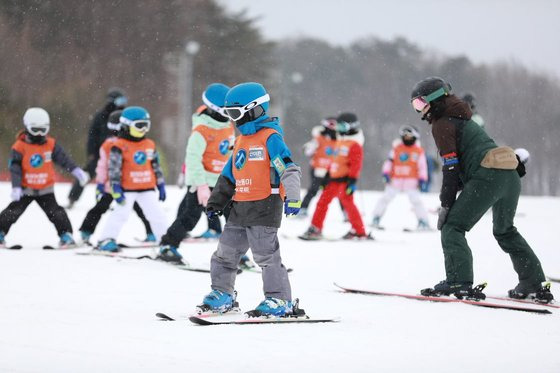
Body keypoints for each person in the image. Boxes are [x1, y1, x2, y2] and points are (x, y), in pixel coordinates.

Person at [410, 77, 553, 302]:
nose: (420, 111)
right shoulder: (464, 118)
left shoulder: (442, 124)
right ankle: (533, 282)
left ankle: (459, 281)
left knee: (452, 227)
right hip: (510, 174)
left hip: (489, 175)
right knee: (505, 231)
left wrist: (446, 204)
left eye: (420, 104)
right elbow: (465, 163)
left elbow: (451, 167)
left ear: (434, 100)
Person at [195, 82, 302, 317]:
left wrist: (293, 197)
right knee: (225, 253)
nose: (233, 120)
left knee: (266, 256)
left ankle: (279, 299)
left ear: (253, 109)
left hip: (265, 205)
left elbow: (288, 168)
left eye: (235, 113)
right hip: (239, 207)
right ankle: (222, 294)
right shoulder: (241, 141)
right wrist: (216, 202)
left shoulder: (270, 138)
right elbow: (228, 175)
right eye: (230, 114)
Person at [157, 83, 235, 262]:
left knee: (234, 219)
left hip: (223, 182)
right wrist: (201, 185)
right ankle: (168, 245)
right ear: (215, 109)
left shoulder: (228, 126)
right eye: (227, 111)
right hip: (202, 183)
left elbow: (231, 153)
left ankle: (236, 252)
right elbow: (192, 160)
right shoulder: (201, 131)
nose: (230, 115)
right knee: (190, 217)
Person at [0, 108, 90, 248]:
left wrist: (76, 170)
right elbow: (15, 168)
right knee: (12, 212)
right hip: (25, 189)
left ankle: (66, 235)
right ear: (27, 127)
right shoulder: (19, 146)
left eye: (43, 130)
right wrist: (16, 187)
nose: (39, 134)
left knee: (56, 213)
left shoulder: (51, 144)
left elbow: (63, 159)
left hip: (45, 189)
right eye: (35, 130)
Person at [96, 106, 167, 251]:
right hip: (127, 189)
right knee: (120, 214)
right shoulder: (119, 145)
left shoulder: (149, 144)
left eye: (146, 126)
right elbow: (113, 169)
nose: (144, 130)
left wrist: (160, 184)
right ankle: (106, 239)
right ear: (127, 125)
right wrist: (115, 187)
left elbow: (155, 166)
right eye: (139, 126)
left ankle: (166, 242)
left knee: (157, 215)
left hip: (147, 188)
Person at [78, 110, 154, 245]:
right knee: (139, 209)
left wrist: (100, 183)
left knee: (100, 209)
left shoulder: (110, 144)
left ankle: (86, 232)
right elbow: (103, 166)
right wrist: (101, 184)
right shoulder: (116, 144)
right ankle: (151, 232)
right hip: (123, 186)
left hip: (119, 186)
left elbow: (101, 166)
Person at [300, 112, 371, 240]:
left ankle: (359, 231)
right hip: (333, 180)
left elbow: (356, 164)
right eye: (339, 127)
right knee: (322, 202)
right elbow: (334, 160)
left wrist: (352, 181)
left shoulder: (354, 144)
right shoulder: (340, 141)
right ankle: (315, 227)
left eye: (342, 127)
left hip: (344, 181)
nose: (339, 130)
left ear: (352, 126)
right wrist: (328, 173)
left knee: (349, 205)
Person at [66, 88, 128, 208]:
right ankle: (72, 199)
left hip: (121, 154)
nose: (123, 103)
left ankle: (129, 203)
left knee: (125, 177)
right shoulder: (101, 116)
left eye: (124, 100)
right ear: (112, 101)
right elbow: (92, 136)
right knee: (85, 175)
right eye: (120, 101)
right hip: (101, 155)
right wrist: (91, 153)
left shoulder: (124, 115)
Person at [371, 125, 431, 230]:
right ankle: (376, 218)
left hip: (411, 181)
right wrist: (386, 173)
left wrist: (422, 179)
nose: (407, 138)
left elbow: (422, 167)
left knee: (416, 201)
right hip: (395, 180)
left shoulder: (418, 151)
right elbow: (389, 162)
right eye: (405, 136)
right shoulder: (397, 149)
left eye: (409, 136)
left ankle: (423, 221)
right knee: (385, 198)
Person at [299, 117, 343, 217]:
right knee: (313, 189)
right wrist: (309, 147)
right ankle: (303, 209)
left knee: (337, 191)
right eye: (330, 124)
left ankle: (346, 213)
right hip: (318, 169)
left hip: (332, 170)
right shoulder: (319, 138)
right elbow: (308, 151)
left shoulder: (338, 139)